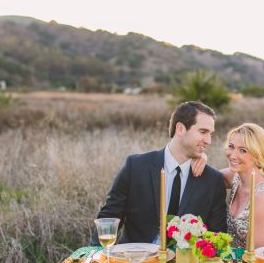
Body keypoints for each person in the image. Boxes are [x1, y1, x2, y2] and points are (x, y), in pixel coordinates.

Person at [91, 101, 227, 245]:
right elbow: (109, 217)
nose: (209, 141)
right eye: (203, 132)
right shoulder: (135, 166)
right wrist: (95, 256)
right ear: (180, 129)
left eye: (210, 134)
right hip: (135, 259)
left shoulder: (212, 180)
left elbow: (216, 235)